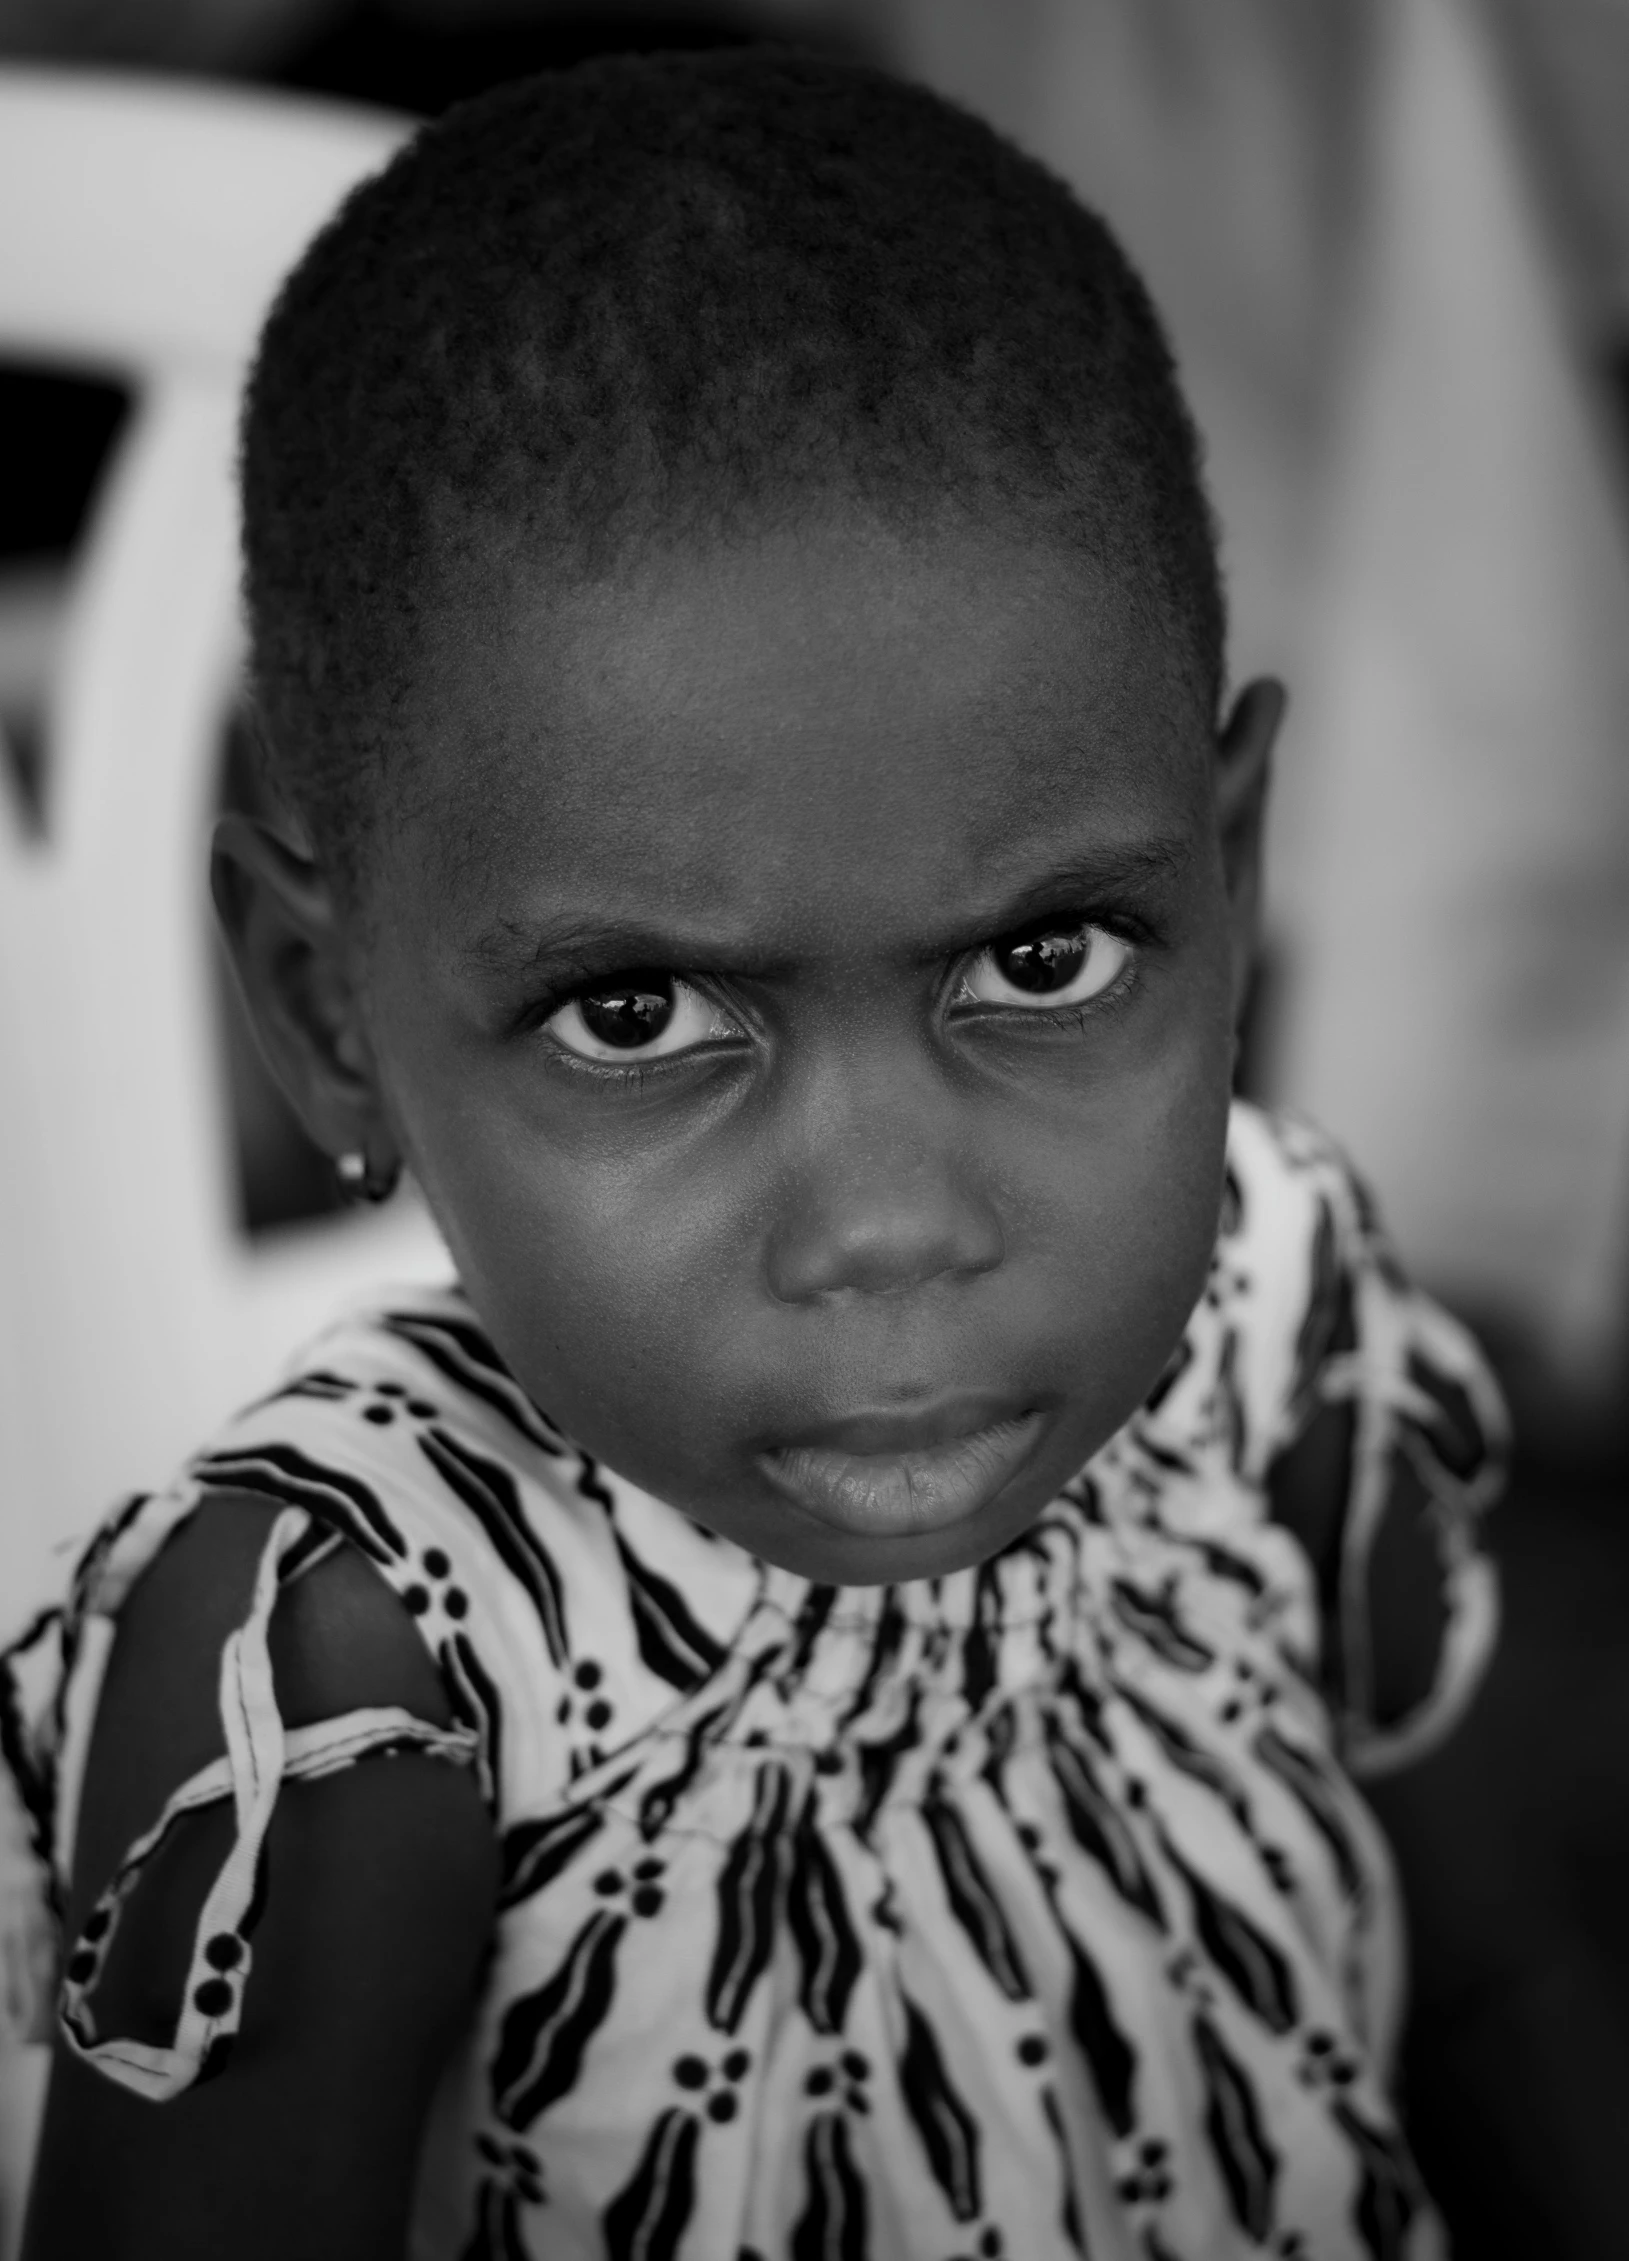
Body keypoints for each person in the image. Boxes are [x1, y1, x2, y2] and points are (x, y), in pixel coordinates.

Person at [0, 48, 1610, 2261]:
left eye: (1043, 957)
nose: (888, 1224)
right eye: (638, 1013)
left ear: (1230, 885)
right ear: (323, 1015)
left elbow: (1502, 1982)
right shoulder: (351, 1655)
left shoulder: (1278, 1315)